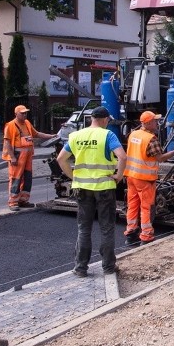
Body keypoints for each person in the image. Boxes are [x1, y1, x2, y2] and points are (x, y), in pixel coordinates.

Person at [56, 106, 126, 277]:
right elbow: (122, 157)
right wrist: (118, 176)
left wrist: (73, 177)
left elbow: (61, 159)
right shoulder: (107, 135)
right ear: (104, 120)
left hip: (82, 189)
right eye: (108, 120)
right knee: (107, 228)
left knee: (84, 228)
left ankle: (80, 267)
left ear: (91, 118)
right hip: (104, 188)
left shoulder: (76, 136)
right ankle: (108, 266)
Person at [123, 111, 174, 247]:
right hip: (144, 178)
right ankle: (146, 236)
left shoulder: (133, 134)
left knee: (132, 205)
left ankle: (131, 233)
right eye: (155, 121)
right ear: (148, 123)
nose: (157, 123)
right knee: (146, 207)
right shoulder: (151, 139)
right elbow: (160, 158)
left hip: (131, 176)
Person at [2, 105, 57, 211]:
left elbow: (36, 134)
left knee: (27, 178)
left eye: (25, 113)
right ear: (16, 114)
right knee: (15, 178)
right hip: (17, 156)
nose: (24, 115)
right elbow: (7, 142)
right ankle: (13, 202)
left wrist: (51, 136)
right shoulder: (10, 125)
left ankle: (23, 200)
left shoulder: (27, 123)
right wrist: (12, 157)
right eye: (22, 113)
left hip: (27, 156)